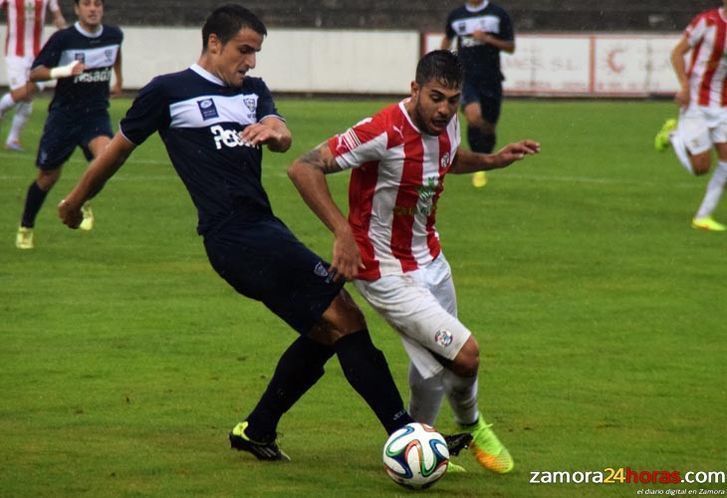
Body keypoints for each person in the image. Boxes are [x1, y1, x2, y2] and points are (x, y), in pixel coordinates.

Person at [57, 5, 472, 462]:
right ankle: (408, 435)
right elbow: (116, 152)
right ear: (213, 43)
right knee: (344, 319)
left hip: (264, 227)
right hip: (231, 236)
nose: (251, 62)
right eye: (244, 50)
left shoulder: (253, 91)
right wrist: (75, 201)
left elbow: (284, 134)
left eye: (256, 52)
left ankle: (258, 429)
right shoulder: (168, 92)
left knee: (326, 330)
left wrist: (276, 131)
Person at [287, 49, 539, 473]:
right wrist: (343, 233)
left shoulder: (449, 124)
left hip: (432, 260)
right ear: (415, 89)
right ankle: (473, 426)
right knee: (465, 356)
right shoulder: (382, 130)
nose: (444, 109)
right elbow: (303, 167)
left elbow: (448, 158)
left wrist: (493, 160)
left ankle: (423, 451)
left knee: (433, 368)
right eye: (435, 97)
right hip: (384, 271)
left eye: (452, 100)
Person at [15, 0, 122, 249]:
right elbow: (35, 72)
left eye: (97, 4)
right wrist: (64, 71)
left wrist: (119, 79)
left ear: (102, 9)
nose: (93, 9)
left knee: (106, 159)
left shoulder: (114, 35)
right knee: (48, 176)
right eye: (87, 4)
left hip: (95, 115)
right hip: (63, 117)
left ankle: (80, 200)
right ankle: (26, 225)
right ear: (77, 10)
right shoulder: (64, 39)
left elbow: (116, 53)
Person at [654, 1, 727, 232]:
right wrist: (684, 87)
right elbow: (677, 52)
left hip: (722, 105)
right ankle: (674, 135)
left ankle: (702, 217)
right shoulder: (707, 22)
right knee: (701, 168)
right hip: (696, 102)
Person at [441, 0, 515, 189]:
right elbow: (447, 39)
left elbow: (510, 47)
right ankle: (477, 167)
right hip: (466, 78)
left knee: (488, 127)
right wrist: (441, 61)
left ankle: (483, 161)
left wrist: (487, 39)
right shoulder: (456, 16)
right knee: (474, 117)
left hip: (491, 79)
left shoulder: (497, 14)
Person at [0, 0, 66, 151]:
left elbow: (57, 15)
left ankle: (12, 139)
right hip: (14, 54)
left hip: (38, 55)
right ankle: (11, 134)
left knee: (30, 94)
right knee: (22, 94)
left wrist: (64, 30)